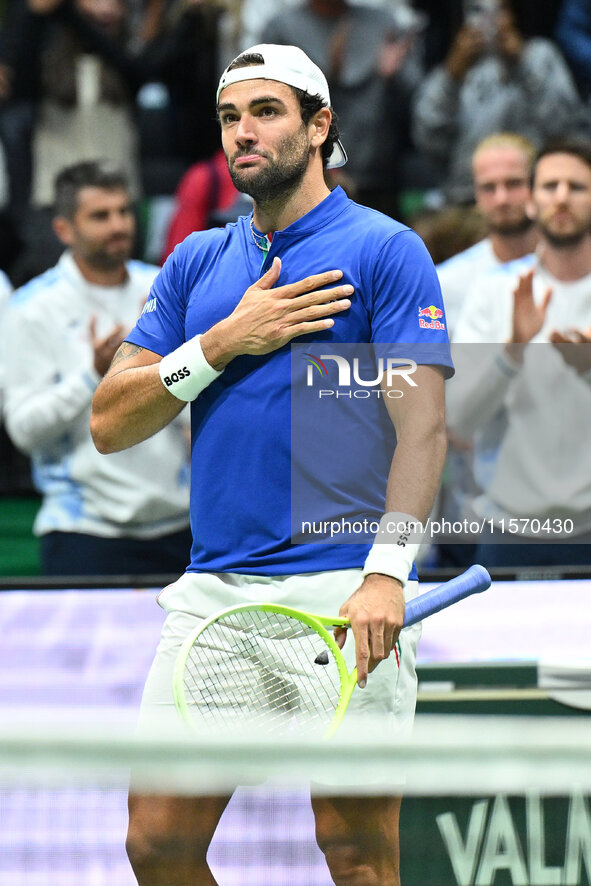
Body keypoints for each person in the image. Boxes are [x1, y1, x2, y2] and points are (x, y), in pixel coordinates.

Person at [90, 44, 452, 885]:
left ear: (318, 125)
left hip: (343, 588)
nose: (241, 133)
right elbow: (111, 420)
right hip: (212, 595)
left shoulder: (385, 250)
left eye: (265, 112)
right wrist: (219, 344)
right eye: (228, 117)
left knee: (358, 856)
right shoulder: (193, 262)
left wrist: (387, 574)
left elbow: (423, 427)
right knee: (156, 845)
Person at [1, 160, 191, 576]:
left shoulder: (163, 287)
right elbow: (24, 430)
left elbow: (194, 401)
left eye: (124, 211)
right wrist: (94, 374)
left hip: (180, 525)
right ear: (64, 230)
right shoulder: (32, 309)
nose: (119, 225)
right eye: (100, 216)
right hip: (84, 532)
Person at [448, 136, 591, 567]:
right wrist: (511, 351)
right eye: (550, 186)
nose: (562, 197)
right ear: (532, 200)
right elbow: (457, 420)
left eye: (577, 186)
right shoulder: (496, 290)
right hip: (508, 527)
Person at [261, 0, 426, 217]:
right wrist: (326, 77)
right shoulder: (282, 28)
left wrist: (394, 76)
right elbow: (269, 101)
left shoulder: (382, 22)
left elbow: (417, 100)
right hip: (310, 175)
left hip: (378, 175)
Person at [412, 0, 583, 203]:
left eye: (498, 10)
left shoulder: (540, 55)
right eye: (477, 11)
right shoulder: (452, 65)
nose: (489, 20)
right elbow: (428, 141)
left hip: (532, 193)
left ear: (513, 15)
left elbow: (564, 128)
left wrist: (522, 62)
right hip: (465, 195)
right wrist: (451, 78)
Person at [436, 132, 538, 334]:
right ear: (476, 194)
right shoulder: (445, 283)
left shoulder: (570, 270)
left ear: (537, 185)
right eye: (488, 187)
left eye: (514, 183)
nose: (502, 199)